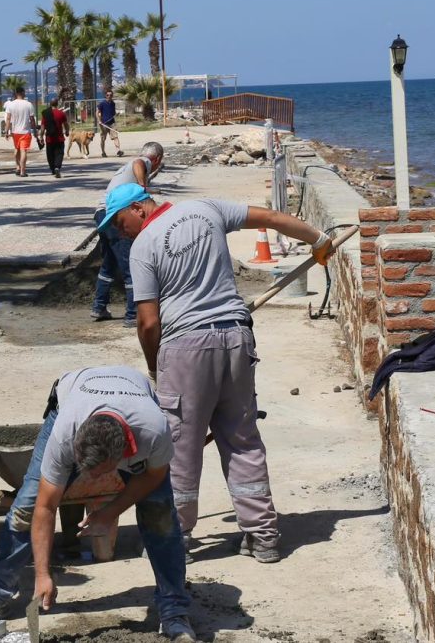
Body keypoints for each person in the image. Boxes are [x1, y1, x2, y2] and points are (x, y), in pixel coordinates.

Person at [99, 183, 334, 565]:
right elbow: (272, 218)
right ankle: (263, 537)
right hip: (236, 338)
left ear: (139, 208)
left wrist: (156, 367)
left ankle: (177, 539)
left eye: (119, 221)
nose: (118, 231)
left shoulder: (144, 246)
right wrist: (319, 239)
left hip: (186, 347)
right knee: (242, 438)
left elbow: (147, 322)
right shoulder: (207, 208)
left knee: (179, 447)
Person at [0, 366, 196, 642]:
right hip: (70, 396)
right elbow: (45, 507)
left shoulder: (152, 430)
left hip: (137, 400)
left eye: (97, 473)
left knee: (161, 517)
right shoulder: (65, 433)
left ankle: (174, 611)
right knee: (26, 508)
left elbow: (155, 476)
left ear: (123, 457)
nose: (87, 479)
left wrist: (110, 512)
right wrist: (43, 574)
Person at [91, 142, 165, 327]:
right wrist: (142, 187)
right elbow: (139, 163)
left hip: (102, 214)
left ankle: (99, 306)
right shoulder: (143, 162)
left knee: (109, 264)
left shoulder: (124, 171)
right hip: (116, 215)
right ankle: (133, 315)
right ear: (157, 159)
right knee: (130, 265)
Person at [3, 87, 36, 177]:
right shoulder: (29, 104)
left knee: (16, 149)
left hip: (15, 131)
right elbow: (32, 119)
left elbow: (8, 119)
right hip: (25, 131)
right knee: (23, 151)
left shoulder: (10, 105)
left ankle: (17, 167)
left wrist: (6, 131)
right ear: (22, 92)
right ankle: (22, 171)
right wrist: (35, 130)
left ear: (15, 93)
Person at [38, 98, 70, 178]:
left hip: (49, 138)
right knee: (59, 154)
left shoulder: (46, 113)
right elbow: (66, 124)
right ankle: (57, 167)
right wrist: (67, 131)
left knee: (50, 155)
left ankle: (53, 169)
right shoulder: (61, 113)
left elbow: (42, 127)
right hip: (59, 138)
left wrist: (41, 137)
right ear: (57, 104)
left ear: (50, 104)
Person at [97, 90, 124, 157]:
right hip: (104, 123)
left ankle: (118, 151)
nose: (109, 96)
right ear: (105, 96)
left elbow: (113, 113)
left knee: (115, 137)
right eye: (108, 95)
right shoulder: (102, 103)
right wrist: (99, 120)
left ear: (112, 96)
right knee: (103, 138)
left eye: (111, 95)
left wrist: (116, 114)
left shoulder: (113, 103)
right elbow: (97, 112)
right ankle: (103, 152)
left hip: (112, 123)